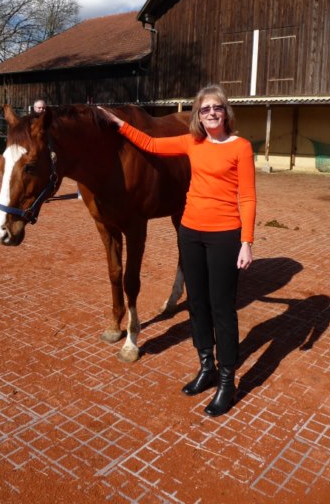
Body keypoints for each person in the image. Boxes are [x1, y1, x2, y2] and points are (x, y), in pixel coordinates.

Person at [98, 84, 256, 417]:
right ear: (198, 115)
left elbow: (247, 197)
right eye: (205, 109)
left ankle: (227, 381)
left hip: (225, 235)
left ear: (226, 112)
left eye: (216, 107)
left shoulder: (240, 147)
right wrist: (119, 123)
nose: (211, 113)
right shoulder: (191, 142)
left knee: (222, 308)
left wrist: (247, 241)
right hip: (190, 233)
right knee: (196, 305)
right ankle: (206, 367)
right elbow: (151, 143)